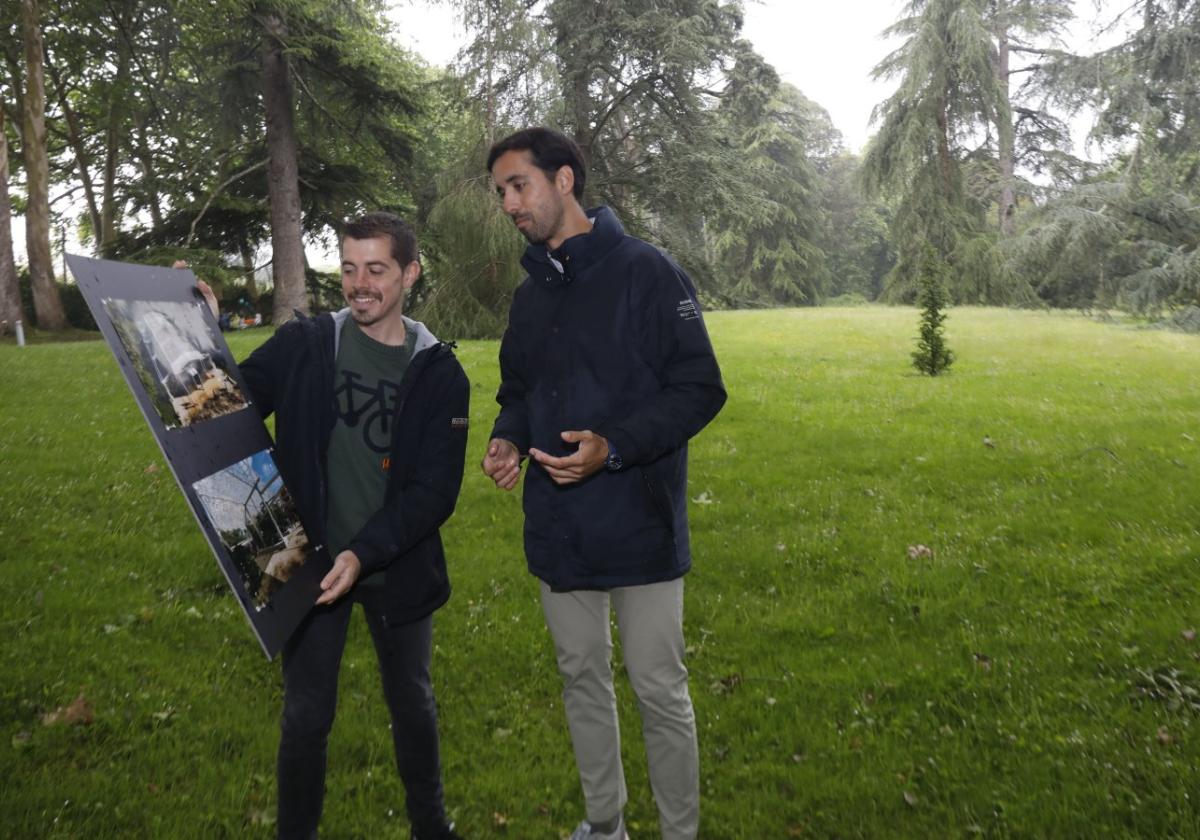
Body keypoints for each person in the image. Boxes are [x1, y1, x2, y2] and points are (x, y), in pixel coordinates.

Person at [480, 128, 726, 840]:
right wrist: (507, 436)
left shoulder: (648, 272)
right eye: (500, 191)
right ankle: (606, 825)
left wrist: (614, 448)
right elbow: (517, 390)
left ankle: (680, 834)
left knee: (658, 688)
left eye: (518, 185)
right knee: (580, 679)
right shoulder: (530, 298)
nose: (508, 204)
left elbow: (699, 389)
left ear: (564, 180)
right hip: (559, 526)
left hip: (640, 522)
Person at [194, 213, 468, 840]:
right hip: (311, 560)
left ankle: (432, 827)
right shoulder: (309, 345)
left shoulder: (439, 372)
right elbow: (227, 403)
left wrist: (366, 553)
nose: (360, 284)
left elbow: (434, 492)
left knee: (414, 705)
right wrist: (201, 332)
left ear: (409, 274)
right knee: (307, 715)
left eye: (376, 269)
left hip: (395, 561)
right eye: (349, 268)